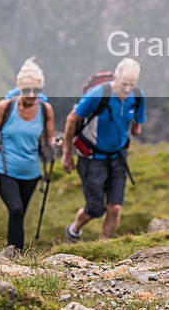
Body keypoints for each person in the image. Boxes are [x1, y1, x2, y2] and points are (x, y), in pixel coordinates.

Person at [62, 58, 145, 242]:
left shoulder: (137, 96)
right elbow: (71, 120)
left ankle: (103, 247)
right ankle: (74, 230)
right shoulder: (97, 94)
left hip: (118, 158)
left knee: (115, 207)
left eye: (132, 85)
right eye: (124, 84)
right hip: (92, 158)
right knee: (95, 209)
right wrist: (67, 154)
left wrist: (135, 128)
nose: (127, 89)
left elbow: (137, 124)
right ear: (115, 78)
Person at [0, 57, 56, 251]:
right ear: (19, 87)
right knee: (15, 209)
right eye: (27, 90)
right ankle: (16, 255)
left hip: (31, 172)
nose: (31, 95)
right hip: (6, 169)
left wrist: (56, 143)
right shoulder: (4, 108)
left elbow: (50, 137)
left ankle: (13, 253)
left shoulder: (45, 109)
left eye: (36, 91)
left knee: (19, 215)